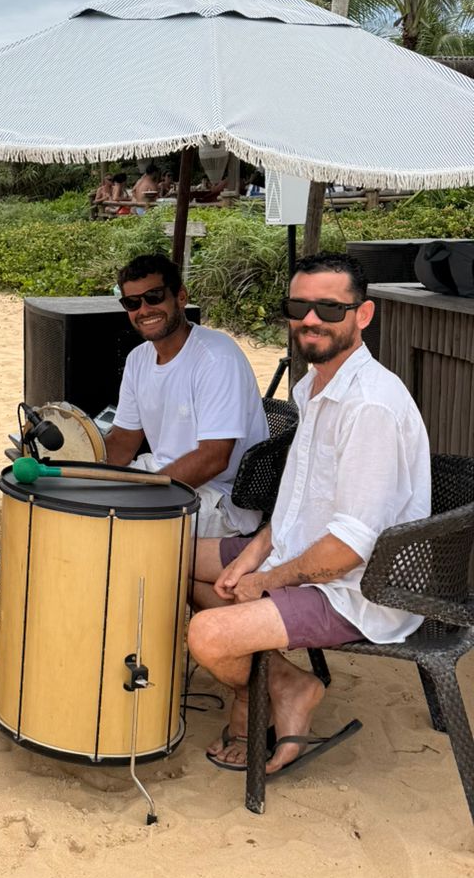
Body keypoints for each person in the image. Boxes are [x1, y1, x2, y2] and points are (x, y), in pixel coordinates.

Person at [188, 253, 430, 778]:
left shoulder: (369, 407)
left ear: (362, 315)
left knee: (208, 635)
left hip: (359, 587)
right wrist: (253, 552)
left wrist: (266, 581)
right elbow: (299, 502)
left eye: (330, 307)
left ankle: (275, 690)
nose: (312, 318)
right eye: (300, 305)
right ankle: (284, 678)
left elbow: (347, 549)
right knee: (166, 556)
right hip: (297, 549)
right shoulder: (314, 386)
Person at [104, 253, 268, 537]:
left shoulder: (216, 358)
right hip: (164, 476)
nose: (144, 309)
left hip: (219, 499)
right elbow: (122, 443)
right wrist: (73, 464)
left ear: (180, 297)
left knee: (115, 526)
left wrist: (145, 496)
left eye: (154, 297)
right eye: (132, 303)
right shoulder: (137, 359)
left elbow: (214, 458)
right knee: (77, 504)